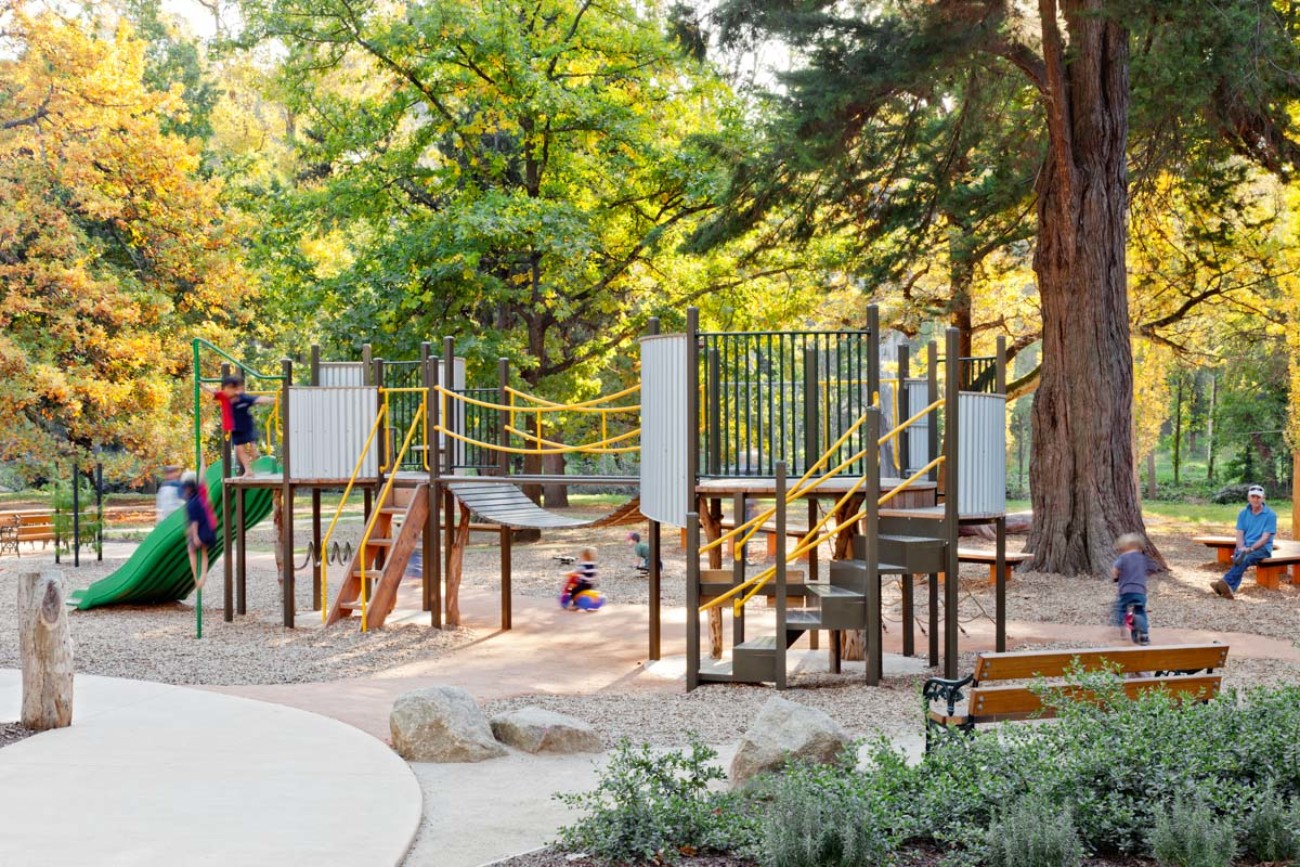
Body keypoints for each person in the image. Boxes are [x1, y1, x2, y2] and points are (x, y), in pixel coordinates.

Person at [1211, 484, 1276, 600]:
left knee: (1244, 558)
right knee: (1239, 558)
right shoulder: (1243, 513)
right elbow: (1240, 533)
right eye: (1253, 496)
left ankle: (1224, 583)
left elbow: (1265, 538)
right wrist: (1241, 547)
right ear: (1248, 498)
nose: (1255, 499)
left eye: (1258, 497)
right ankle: (1228, 589)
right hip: (1245, 546)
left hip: (1262, 548)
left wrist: (1250, 549)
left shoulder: (1270, 515)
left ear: (1263, 498)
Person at [205, 375, 273, 476]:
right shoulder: (223, 396)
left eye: (230, 388)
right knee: (239, 450)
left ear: (235, 389)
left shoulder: (243, 398)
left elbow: (257, 399)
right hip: (235, 428)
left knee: (251, 443)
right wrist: (202, 385)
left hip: (246, 426)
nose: (227, 391)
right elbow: (212, 390)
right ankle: (248, 470)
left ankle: (254, 452)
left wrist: (272, 399)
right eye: (225, 389)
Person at [1112, 533, 1151, 645]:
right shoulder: (1143, 559)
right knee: (1141, 610)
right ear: (1139, 547)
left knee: (1121, 608)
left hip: (1126, 591)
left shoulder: (1123, 558)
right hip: (1140, 591)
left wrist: (1115, 578)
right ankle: (1144, 636)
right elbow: (1149, 569)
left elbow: (1115, 570)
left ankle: (1123, 625)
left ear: (1123, 547)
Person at [182, 475, 217, 590]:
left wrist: (195, 536)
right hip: (209, 530)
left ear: (188, 489)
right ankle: (203, 575)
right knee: (203, 551)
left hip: (201, 532)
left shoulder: (191, 503)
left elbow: (194, 522)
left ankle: (196, 577)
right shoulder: (201, 499)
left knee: (191, 550)